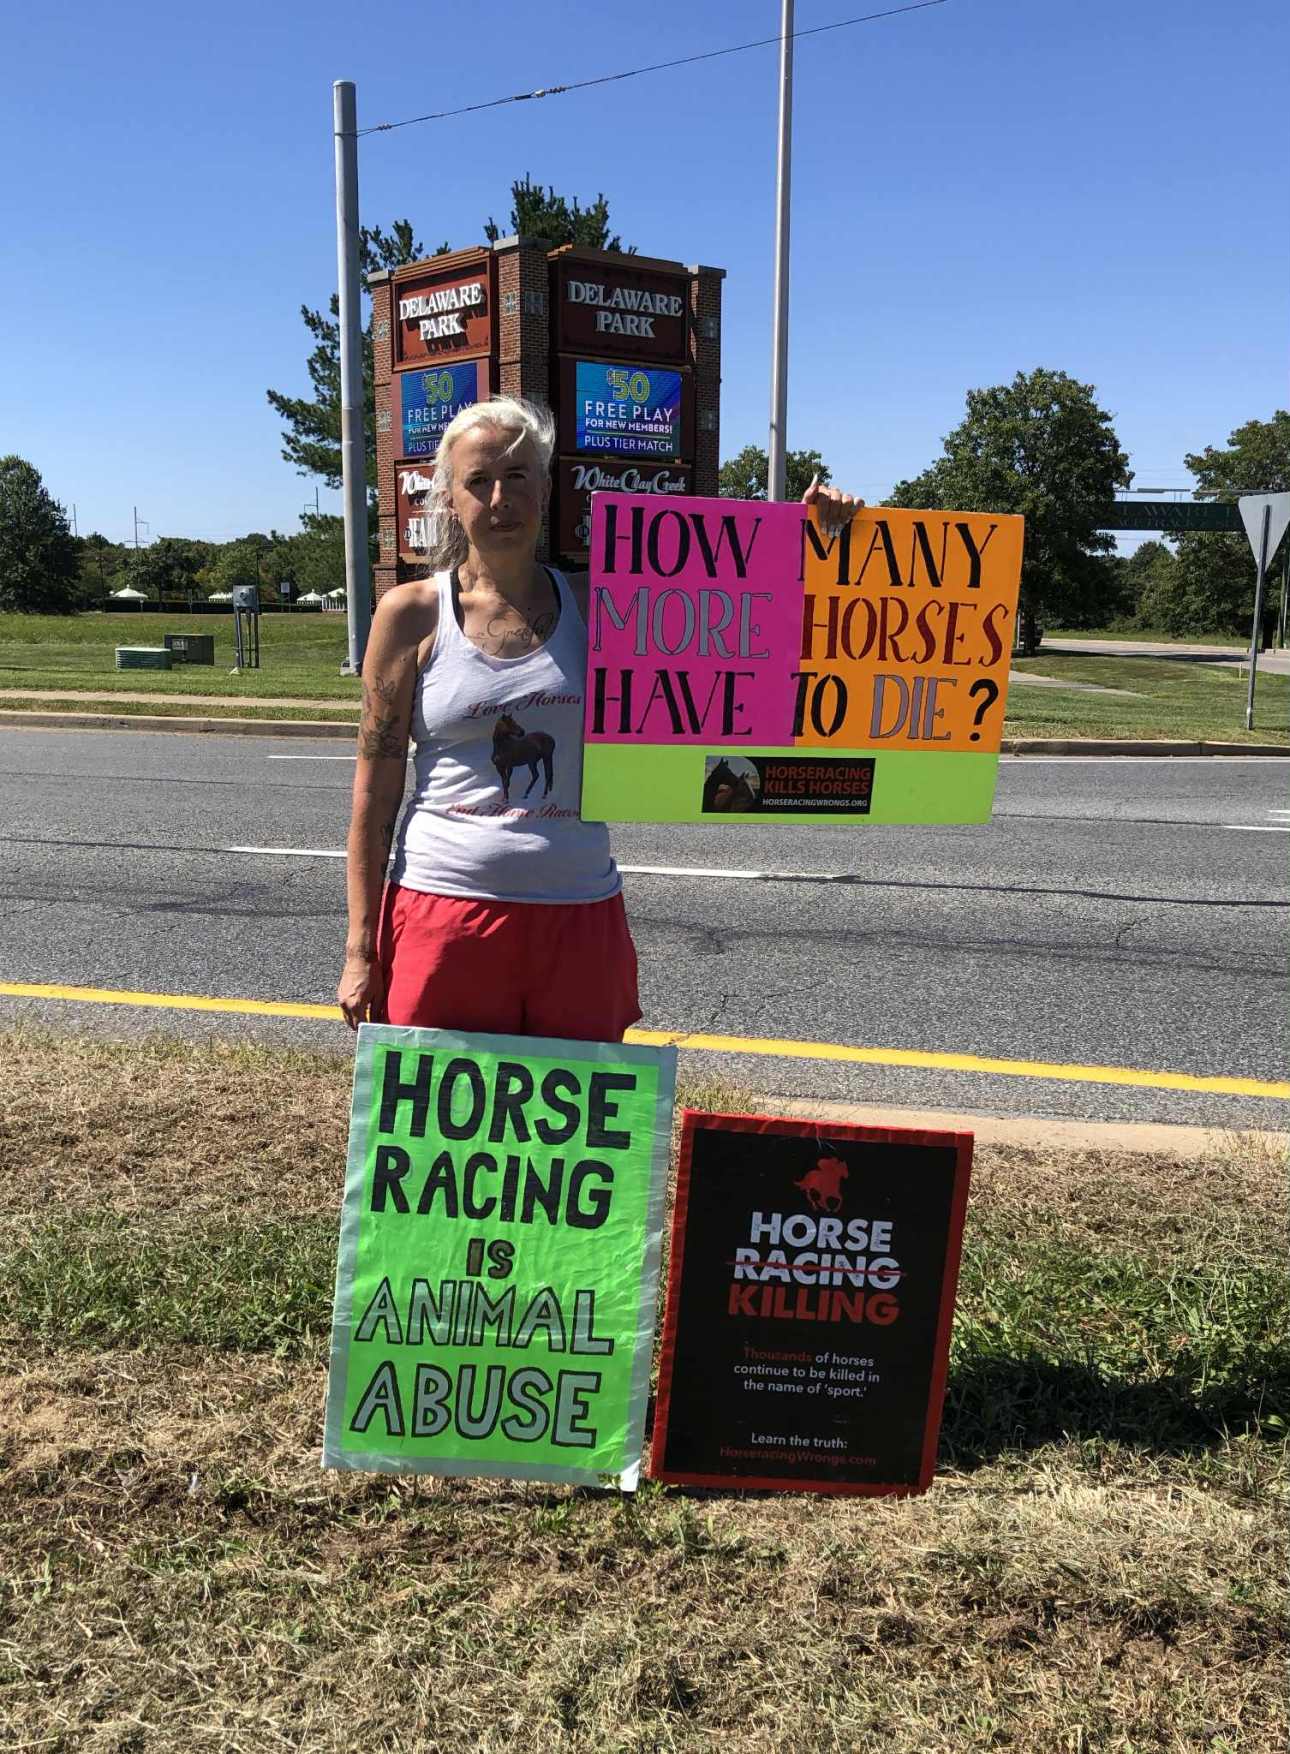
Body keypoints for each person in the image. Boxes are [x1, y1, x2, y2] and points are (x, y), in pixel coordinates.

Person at [337, 396, 859, 1041]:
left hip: (578, 908)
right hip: (442, 907)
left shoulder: (603, 603)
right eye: (478, 480)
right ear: (448, 497)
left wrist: (816, 538)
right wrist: (360, 946)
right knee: (438, 1103)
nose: (500, 498)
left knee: (580, 1101)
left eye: (517, 475)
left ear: (544, 487)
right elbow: (375, 787)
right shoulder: (411, 614)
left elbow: (746, 623)